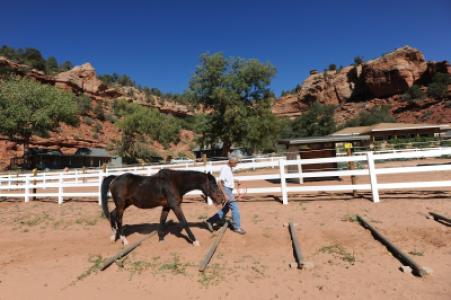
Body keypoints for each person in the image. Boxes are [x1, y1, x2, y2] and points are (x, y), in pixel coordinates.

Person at [205, 157, 246, 235]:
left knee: (225, 209)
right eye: (235, 163)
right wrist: (225, 194)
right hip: (226, 191)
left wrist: (236, 181)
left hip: (228, 190)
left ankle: (210, 221)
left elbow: (227, 180)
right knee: (235, 208)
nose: (236, 165)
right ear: (231, 162)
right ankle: (237, 227)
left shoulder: (229, 168)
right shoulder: (225, 169)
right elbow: (219, 182)